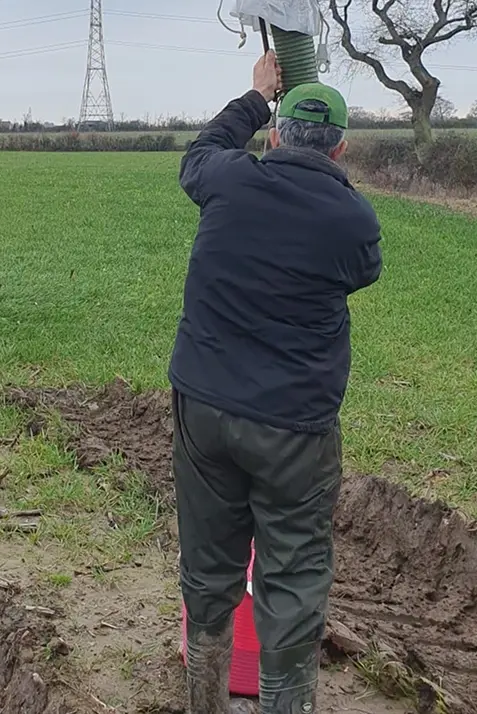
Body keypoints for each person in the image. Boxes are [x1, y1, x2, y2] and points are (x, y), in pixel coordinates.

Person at [169, 51, 383, 713]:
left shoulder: (229, 179)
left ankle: (205, 702)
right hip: (295, 428)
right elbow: (364, 271)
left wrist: (257, 96)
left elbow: (200, 152)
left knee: (208, 565)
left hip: (205, 409)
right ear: (341, 149)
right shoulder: (352, 219)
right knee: (293, 576)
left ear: (274, 136)